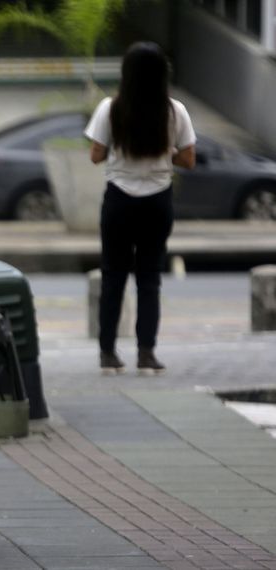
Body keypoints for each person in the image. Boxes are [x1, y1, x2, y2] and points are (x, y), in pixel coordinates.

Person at [84, 42, 196, 375]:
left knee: (112, 276)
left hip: (119, 201)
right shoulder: (175, 111)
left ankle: (107, 353)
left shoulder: (110, 108)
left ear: (126, 73)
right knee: (149, 279)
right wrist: (163, 152)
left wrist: (125, 148)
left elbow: (95, 155)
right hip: (157, 202)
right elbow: (188, 159)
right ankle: (146, 353)